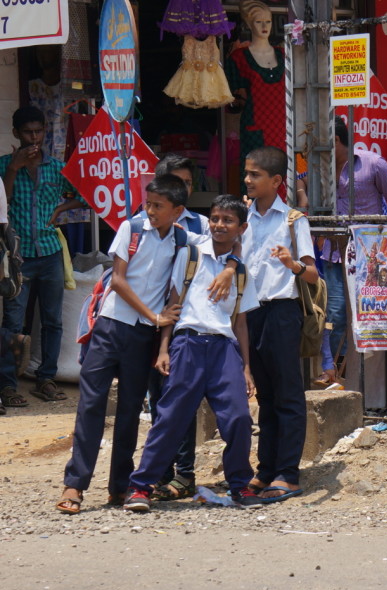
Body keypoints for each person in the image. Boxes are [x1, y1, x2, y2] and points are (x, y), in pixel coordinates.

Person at [56, 175, 216, 514]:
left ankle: (119, 486)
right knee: (91, 407)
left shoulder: (182, 240)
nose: (151, 211)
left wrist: (231, 266)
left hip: (142, 337)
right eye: (148, 203)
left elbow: (218, 243)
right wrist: (155, 316)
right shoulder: (132, 229)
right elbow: (118, 280)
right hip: (111, 327)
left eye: (159, 206)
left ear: (178, 211)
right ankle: (75, 484)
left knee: (129, 412)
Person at [124, 195, 261, 512]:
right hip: (187, 343)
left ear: (241, 227)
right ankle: (140, 487)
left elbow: (240, 322)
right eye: (214, 218)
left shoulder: (241, 273)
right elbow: (173, 304)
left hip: (224, 347)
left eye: (228, 220)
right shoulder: (191, 254)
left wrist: (246, 367)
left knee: (239, 418)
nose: (219, 225)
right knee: (170, 418)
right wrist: (163, 348)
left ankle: (240, 484)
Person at [243, 146, 318, 502]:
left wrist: (292, 264)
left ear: (275, 181)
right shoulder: (244, 217)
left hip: (283, 313)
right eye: (247, 174)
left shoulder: (293, 220)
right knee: (266, 396)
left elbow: (314, 274)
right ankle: (266, 469)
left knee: (288, 396)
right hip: (251, 315)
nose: (247, 180)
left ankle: (289, 472)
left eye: (255, 175)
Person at [0, 106, 86, 409]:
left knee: (52, 320)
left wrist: (62, 209)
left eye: (38, 132)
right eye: (28, 132)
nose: (34, 138)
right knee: (12, 322)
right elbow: (3, 202)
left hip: (50, 253)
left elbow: (84, 195)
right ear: (16, 134)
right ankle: (8, 386)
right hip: (17, 257)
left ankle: (45, 379)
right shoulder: (3, 166)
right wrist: (13, 168)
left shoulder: (56, 168)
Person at [316, 117, 387, 388]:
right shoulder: (316, 170)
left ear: (334, 141)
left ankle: (375, 383)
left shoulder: (373, 164)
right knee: (334, 313)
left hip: (371, 257)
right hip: (334, 253)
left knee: (374, 316)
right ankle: (332, 369)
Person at [144, 153, 212, 501]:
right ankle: (160, 473)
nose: (183, 189)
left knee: (181, 400)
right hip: (150, 321)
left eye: (188, 183)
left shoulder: (201, 225)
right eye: (177, 183)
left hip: (186, 325)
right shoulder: (146, 221)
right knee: (158, 401)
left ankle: (184, 474)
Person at [226, 1, 286, 200]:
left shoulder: (285, 55)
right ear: (249, 24)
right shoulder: (239, 58)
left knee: (286, 174)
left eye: (268, 21)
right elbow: (231, 99)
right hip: (255, 127)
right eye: (258, 21)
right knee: (256, 174)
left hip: (285, 127)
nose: (264, 26)